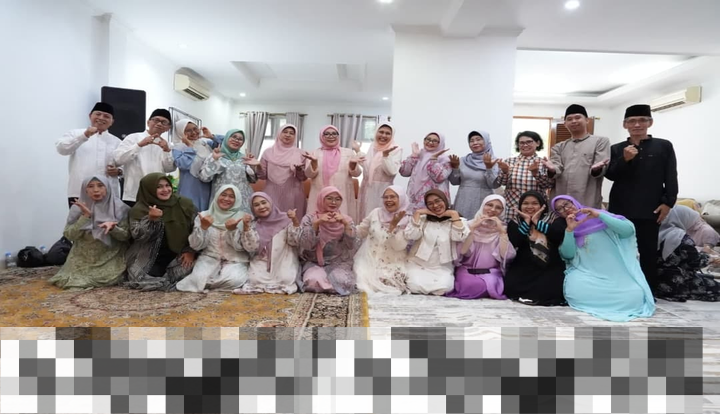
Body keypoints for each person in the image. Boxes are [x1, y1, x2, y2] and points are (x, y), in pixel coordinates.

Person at [606, 104, 679, 289]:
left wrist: (668, 202)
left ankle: (647, 290)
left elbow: (671, 176)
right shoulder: (617, 149)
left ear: (650, 123)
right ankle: (621, 288)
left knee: (648, 251)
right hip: (621, 207)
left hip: (650, 208)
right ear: (625, 125)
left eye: (642, 120)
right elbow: (610, 175)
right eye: (632, 121)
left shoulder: (663, 146)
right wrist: (625, 159)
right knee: (620, 250)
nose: (637, 125)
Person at [552, 195, 655, 322]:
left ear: (574, 202)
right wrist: (569, 230)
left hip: (616, 274)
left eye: (567, 204)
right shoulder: (568, 226)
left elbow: (628, 231)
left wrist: (600, 216)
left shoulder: (599, 215)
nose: (566, 209)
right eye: (560, 209)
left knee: (635, 295)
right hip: (588, 273)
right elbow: (568, 255)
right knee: (575, 289)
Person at [49, 176, 130, 289]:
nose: (96, 190)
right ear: (85, 190)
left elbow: (126, 237)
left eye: (100, 186)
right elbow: (69, 235)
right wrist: (85, 216)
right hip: (82, 256)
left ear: (107, 188)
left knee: (106, 277)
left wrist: (113, 229)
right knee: (69, 280)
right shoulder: (78, 208)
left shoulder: (120, 208)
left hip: (109, 255)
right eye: (91, 186)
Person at [124, 173, 197, 291]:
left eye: (167, 185)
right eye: (159, 187)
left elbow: (195, 229)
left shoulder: (184, 204)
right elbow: (138, 236)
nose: (165, 190)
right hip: (148, 256)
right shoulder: (139, 209)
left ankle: (167, 281)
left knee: (190, 269)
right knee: (139, 278)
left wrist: (190, 251)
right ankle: (165, 282)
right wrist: (150, 220)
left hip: (178, 255)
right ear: (149, 189)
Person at [175, 185, 249, 293]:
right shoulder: (204, 216)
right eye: (223, 195)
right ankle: (213, 284)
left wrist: (232, 230)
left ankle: (211, 285)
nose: (226, 199)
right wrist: (203, 227)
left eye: (231, 196)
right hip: (209, 258)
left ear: (237, 199)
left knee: (235, 280)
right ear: (217, 196)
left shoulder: (242, 218)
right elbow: (196, 245)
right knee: (198, 279)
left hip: (235, 259)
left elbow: (241, 247)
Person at [503, 191, 567, 306]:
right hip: (523, 265)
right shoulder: (515, 221)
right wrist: (527, 222)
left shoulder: (554, 219)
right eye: (525, 203)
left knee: (552, 289)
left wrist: (537, 222)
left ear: (542, 205)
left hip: (550, 264)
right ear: (520, 205)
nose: (530, 206)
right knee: (510, 286)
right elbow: (515, 242)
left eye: (534, 203)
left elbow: (557, 235)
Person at [446, 195, 515, 300]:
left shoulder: (503, 228)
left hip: (491, 272)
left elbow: (506, 256)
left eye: (498, 207)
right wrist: (472, 229)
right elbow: (462, 251)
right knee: (469, 285)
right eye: (489, 205)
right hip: (467, 269)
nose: (493, 209)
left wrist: (502, 233)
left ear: (502, 211)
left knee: (490, 284)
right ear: (482, 206)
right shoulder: (468, 225)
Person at [233, 192, 302, 295]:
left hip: (283, 259)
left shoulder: (286, 219)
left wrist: (295, 221)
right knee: (255, 279)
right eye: (256, 205)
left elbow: (294, 241)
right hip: (262, 260)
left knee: (286, 278)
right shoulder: (254, 224)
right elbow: (251, 248)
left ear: (270, 203)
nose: (261, 207)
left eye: (264, 202)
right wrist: (246, 227)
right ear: (252, 209)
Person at [404, 189, 470, 295]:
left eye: (438, 201)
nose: (435, 206)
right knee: (414, 286)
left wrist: (454, 214)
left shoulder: (457, 220)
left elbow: (459, 237)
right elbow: (411, 235)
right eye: (430, 203)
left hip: (442, 267)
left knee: (444, 288)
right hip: (418, 264)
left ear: (445, 201)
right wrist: (417, 213)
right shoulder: (423, 219)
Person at [56, 102, 122, 208]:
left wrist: (119, 171)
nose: (101, 118)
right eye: (98, 114)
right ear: (90, 116)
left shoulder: (117, 142)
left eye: (106, 116)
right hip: (79, 192)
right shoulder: (75, 134)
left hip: (108, 194)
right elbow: (62, 149)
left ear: (112, 121)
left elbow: (125, 165)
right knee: (79, 219)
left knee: (108, 219)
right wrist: (85, 135)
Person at [298, 186, 360, 295]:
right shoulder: (309, 219)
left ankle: (327, 285)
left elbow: (351, 246)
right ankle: (327, 284)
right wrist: (316, 224)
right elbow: (306, 245)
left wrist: (346, 225)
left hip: (338, 262)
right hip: (314, 262)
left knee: (343, 281)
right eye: (329, 198)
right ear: (321, 199)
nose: (333, 202)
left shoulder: (346, 219)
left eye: (337, 199)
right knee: (312, 281)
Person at [546, 104, 610, 208]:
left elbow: (601, 167)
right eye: (569, 119)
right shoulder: (558, 147)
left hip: (587, 201)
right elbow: (556, 168)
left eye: (577, 117)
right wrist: (552, 170)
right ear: (565, 124)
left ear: (587, 120)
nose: (574, 121)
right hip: (561, 203)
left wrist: (596, 169)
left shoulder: (600, 142)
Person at [354, 185, 410, 296]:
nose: (388, 200)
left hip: (393, 261)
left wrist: (393, 226)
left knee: (391, 281)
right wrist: (345, 225)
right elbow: (361, 231)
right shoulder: (375, 213)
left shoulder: (406, 219)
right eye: (385, 197)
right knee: (361, 279)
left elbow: (399, 246)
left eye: (392, 197)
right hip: (369, 258)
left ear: (401, 198)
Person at [655, 206, 720, 302]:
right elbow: (695, 262)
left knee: (707, 277)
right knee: (716, 287)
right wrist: (712, 259)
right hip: (677, 284)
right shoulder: (679, 237)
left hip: (656, 283)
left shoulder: (655, 233)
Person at [113, 109, 176, 207]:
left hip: (157, 195)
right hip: (134, 193)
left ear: (168, 128)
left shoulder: (167, 145)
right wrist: (139, 145)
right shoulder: (133, 138)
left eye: (164, 122)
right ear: (148, 122)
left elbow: (169, 169)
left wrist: (166, 151)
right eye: (156, 120)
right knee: (134, 217)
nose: (159, 124)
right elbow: (118, 159)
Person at [303, 125, 363, 220]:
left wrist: (352, 165)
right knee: (319, 221)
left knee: (342, 221)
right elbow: (309, 175)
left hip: (342, 193)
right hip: (320, 192)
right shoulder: (315, 153)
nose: (331, 136)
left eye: (334, 133)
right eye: (327, 134)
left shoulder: (349, 153)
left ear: (338, 136)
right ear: (321, 136)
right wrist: (314, 163)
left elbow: (357, 174)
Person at [494, 131, 554, 221]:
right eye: (521, 143)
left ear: (537, 143)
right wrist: (505, 171)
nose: (525, 145)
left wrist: (536, 174)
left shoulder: (543, 162)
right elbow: (502, 183)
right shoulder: (509, 161)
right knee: (512, 229)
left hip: (536, 209)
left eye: (529, 142)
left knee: (535, 229)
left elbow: (547, 185)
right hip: (512, 208)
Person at [199, 129, 258, 214]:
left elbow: (253, 180)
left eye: (240, 139)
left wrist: (252, 167)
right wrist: (214, 160)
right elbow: (204, 178)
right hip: (223, 199)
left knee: (242, 221)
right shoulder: (214, 155)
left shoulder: (244, 158)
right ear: (226, 138)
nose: (236, 140)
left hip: (243, 200)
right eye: (234, 137)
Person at [256, 124, 308, 218]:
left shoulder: (300, 153)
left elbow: (303, 178)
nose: (288, 135)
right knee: (271, 220)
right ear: (279, 133)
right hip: (272, 192)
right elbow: (262, 176)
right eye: (285, 132)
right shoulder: (268, 152)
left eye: (291, 133)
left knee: (293, 221)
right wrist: (258, 166)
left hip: (293, 194)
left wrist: (299, 170)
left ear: (295, 136)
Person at [449, 131, 500, 219]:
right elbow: (454, 182)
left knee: (480, 223)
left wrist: (488, 167)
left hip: (483, 199)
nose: (475, 143)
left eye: (478, 139)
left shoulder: (493, 161)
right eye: (471, 141)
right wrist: (455, 168)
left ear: (486, 141)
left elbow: (493, 185)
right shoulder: (463, 160)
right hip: (463, 199)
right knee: (461, 224)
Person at [358, 123, 402, 219]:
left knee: (380, 218)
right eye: (381, 132)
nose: (383, 135)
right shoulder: (373, 147)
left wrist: (385, 156)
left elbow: (392, 171)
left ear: (392, 135)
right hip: (367, 188)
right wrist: (358, 151)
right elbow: (368, 165)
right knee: (365, 218)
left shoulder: (396, 149)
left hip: (382, 189)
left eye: (387, 133)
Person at [399, 132, 452, 212]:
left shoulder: (445, 160)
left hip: (434, 201)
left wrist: (433, 160)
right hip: (414, 198)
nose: (430, 142)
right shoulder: (419, 154)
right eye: (428, 139)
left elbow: (439, 178)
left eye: (435, 141)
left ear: (440, 143)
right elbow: (404, 172)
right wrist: (414, 156)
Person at [171, 119, 213, 211]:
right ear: (181, 133)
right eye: (188, 131)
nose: (193, 132)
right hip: (190, 187)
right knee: (190, 211)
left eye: (195, 128)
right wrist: (190, 147)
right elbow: (183, 164)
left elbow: (227, 143)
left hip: (208, 186)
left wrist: (212, 136)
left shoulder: (206, 144)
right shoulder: (178, 148)